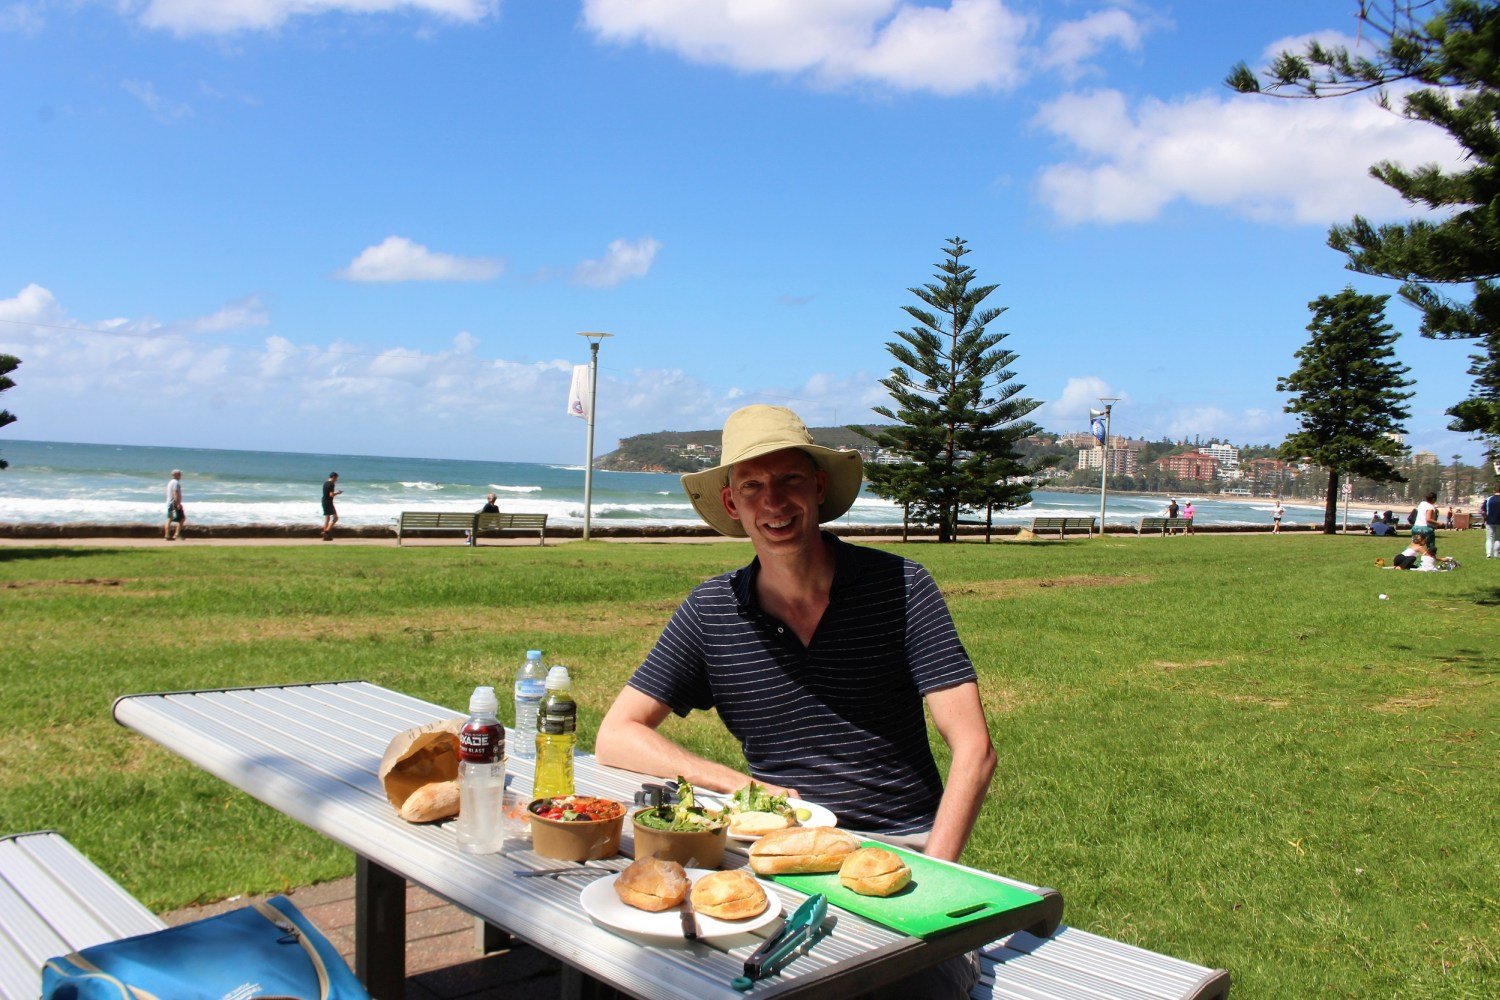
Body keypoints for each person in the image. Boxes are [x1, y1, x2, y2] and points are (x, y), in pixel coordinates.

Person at [596, 405, 995, 998]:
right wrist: (738, 786)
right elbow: (617, 734)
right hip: (776, 855)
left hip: (901, 849)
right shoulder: (713, 611)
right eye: (752, 486)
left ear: (819, 486)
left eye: (789, 480)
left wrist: (930, 878)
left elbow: (975, 751)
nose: (774, 503)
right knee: (652, 968)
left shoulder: (902, 587)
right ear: (731, 504)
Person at [1413, 490, 1439, 556]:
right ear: (1433, 499)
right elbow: (1428, 519)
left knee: (1416, 545)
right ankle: (1429, 561)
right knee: (1430, 547)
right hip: (1425, 529)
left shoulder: (1421, 504)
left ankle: (1413, 559)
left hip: (1416, 527)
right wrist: (1438, 523)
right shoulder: (1430, 507)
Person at [164, 469, 185, 541]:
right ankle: (177, 534)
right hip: (174, 502)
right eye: (179, 474)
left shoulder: (170, 482)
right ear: (176, 475)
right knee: (182, 518)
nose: (180, 476)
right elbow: (175, 493)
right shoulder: (176, 483)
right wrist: (178, 503)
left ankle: (167, 535)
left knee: (170, 518)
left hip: (169, 502)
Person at [321, 472, 341, 541]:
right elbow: (331, 495)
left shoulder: (325, 483)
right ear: (333, 477)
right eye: (336, 478)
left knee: (327, 518)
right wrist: (338, 493)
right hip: (329, 502)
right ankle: (326, 531)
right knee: (335, 518)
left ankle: (325, 535)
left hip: (324, 501)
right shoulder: (331, 484)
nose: (336, 480)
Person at [1483, 484, 1500, 559]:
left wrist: (1484, 518)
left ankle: (1489, 554)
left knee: (1489, 538)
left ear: (1494, 491)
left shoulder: (1488, 499)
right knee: (1498, 538)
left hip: (1489, 521)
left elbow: (1483, 511)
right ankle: (1496, 554)